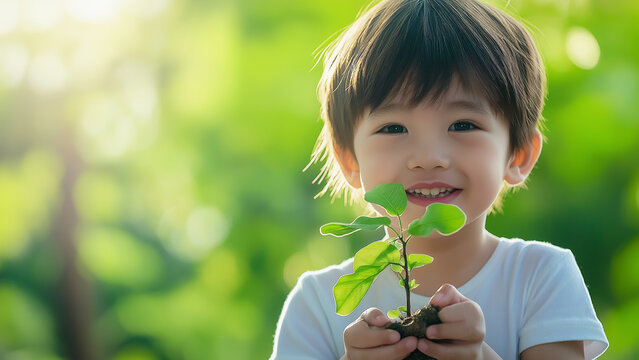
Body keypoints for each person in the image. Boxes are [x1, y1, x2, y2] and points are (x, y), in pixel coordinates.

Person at [271, 0, 608, 359]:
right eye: (394, 128)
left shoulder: (540, 277)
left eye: (462, 125)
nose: (428, 158)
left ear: (519, 154)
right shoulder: (317, 304)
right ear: (349, 159)